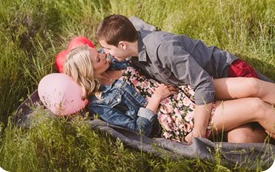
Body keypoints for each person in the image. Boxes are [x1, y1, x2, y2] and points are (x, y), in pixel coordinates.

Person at [95, 14, 274, 144]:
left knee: (253, 88)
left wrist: (199, 130)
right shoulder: (129, 55)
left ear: (122, 45)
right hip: (197, 89)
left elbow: (203, 83)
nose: (106, 54)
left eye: (107, 49)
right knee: (241, 139)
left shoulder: (161, 49)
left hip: (222, 73)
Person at [64, 45, 275, 144]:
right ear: (89, 72)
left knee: (252, 86)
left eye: (99, 51)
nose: (102, 54)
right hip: (178, 117)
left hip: (184, 91)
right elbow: (137, 132)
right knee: (256, 107)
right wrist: (156, 98)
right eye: (97, 58)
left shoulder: (114, 61)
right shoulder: (100, 103)